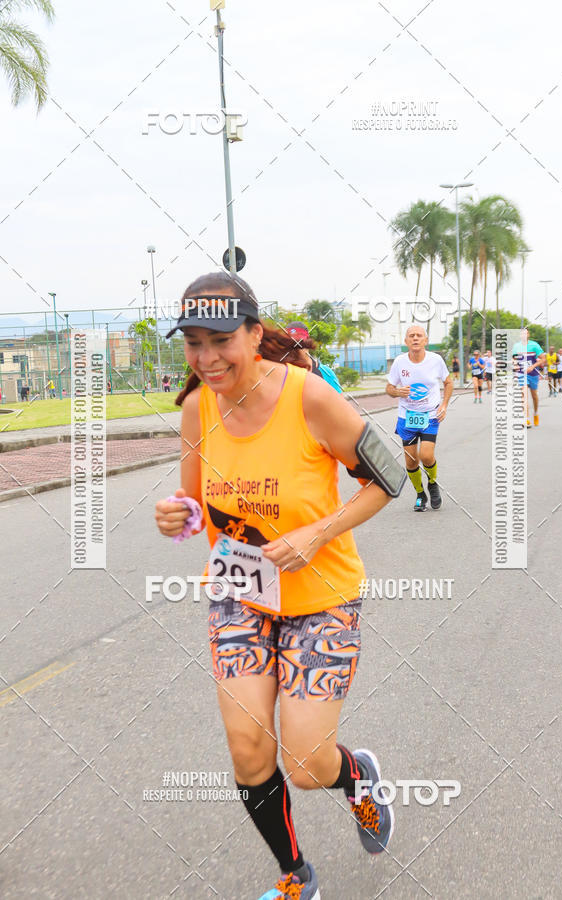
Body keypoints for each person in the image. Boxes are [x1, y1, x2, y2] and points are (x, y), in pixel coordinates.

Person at [154, 271, 404, 900]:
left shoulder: (309, 397)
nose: (207, 359)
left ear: (254, 334)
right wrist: (175, 517)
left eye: (220, 341)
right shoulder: (194, 408)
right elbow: (193, 506)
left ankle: (357, 778)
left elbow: (391, 474)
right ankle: (296, 876)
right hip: (241, 594)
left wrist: (319, 532)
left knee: (305, 763)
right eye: (192, 344)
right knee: (247, 751)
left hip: (321, 596)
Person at [386, 324, 453, 512]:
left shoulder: (436, 360)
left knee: (426, 455)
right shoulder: (399, 362)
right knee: (411, 461)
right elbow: (389, 388)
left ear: (425, 341)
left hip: (430, 415)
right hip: (406, 417)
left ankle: (432, 483)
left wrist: (444, 405)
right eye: (411, 336)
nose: (415, 338)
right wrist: (397, 391)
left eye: (419, 336)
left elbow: (448, 383)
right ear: (406, 341)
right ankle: (420, 494)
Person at [285, 321, 343, 393]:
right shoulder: (280, 373)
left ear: (308, 342)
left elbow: (338, 402)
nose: (295, 348)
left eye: (299, 343)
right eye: (290, 344)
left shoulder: (326, 373)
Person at [512, 328, 545, 428]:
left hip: (533, 373)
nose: (523, 335)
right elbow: (513, 358)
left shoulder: (534, 345)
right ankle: (525, 419)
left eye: (525, 333)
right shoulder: (516, 346)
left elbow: (543, 359)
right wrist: (515, 364)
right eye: (522, 334)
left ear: (528, 335)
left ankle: (535, 413)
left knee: (534, 396)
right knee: (524, 395)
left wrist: (532, 366)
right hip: (522, 373)